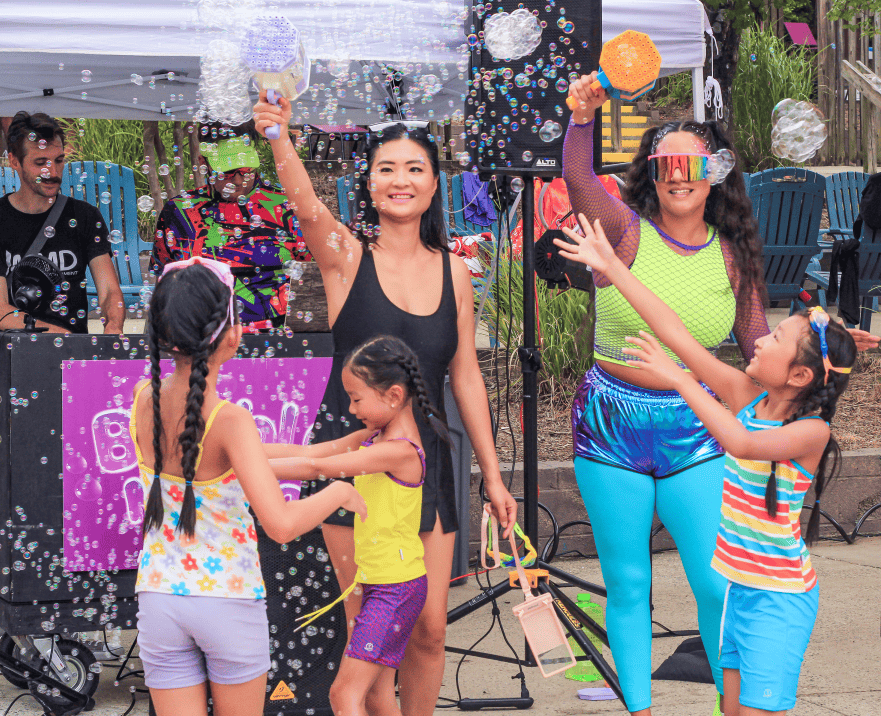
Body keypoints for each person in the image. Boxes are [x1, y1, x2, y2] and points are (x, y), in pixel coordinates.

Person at [562, 74, 877, 716]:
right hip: (610, 423)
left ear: (716, 173)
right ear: (654, 171)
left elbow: (764, 346)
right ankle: (639, 708)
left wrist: (829, 344)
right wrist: (581, 120)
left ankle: (727, 707)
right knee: (626, 580)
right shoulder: (624, 228)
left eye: (694, 164)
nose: (680, 176)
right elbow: (581, 182)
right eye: (668, 163)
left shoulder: (733, 256)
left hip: (697, 425)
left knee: (716, 582)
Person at [253, 91, 517, 716]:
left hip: (427, 468)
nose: (401, 180)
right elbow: (305, 204)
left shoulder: (456, 273)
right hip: (358, 461)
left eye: (414, 168)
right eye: (386, 170)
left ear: (434, 186)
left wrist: (494, 474)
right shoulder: (346, 259)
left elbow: (465, 376)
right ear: (368, 185)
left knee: (428, 630)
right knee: (368, 637)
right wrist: (277, 136)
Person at [131, 255, 365, 716]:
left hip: (159, 600)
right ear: (231, 334)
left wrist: (331, 452)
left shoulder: (146, 398)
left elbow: (250, 461)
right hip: (227, 605)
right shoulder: (229, 420)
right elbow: (280, 525)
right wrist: (341, 493)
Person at [266, 335, 449, 716]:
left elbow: (318, 468)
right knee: (376, 698)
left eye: (357, 398)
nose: (351, 408)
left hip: (395, 592)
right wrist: (234, 448)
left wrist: (241, 469)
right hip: (377, 585)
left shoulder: (399, 452)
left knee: (343, 695)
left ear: (394, 396)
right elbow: (309, 452)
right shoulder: (373, 437)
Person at [149, 121, 311, 330]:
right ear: (203, 162)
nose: (237, 180)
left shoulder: (289, 208)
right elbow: (164, 284)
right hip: (201, 336)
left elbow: (313, 277)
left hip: (276, 336)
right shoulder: (179, 212)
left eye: (245, 169)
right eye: (226, 171)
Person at [0, 111, 124, 334]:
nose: (53, 172)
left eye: (58, 161)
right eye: (41, 162)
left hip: (74, 355)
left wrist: (113, 325)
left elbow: (108, 292)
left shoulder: (85, 216)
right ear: (14, 161)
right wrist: (61, 335)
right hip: (14, 353)